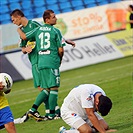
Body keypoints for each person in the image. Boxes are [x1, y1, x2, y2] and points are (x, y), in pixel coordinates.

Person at [10, 9, 75, 122]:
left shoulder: (33, 25)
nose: (13, 22)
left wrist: (66, 41)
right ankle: (48, 111)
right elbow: (23, 47)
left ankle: (50, 111)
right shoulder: (23, 30)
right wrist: (26, 49)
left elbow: (48, 33)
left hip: (40, 58)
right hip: (37, 61)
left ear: (19, 16)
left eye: (13, 19)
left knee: (45, 88)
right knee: (45, 88)